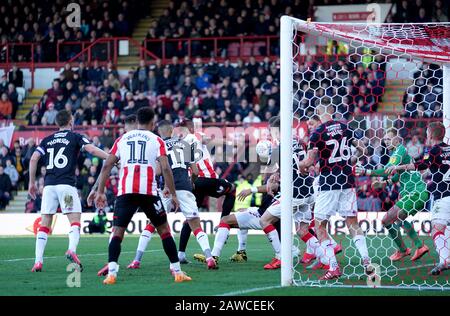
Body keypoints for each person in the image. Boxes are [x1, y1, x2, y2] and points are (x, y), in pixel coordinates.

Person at [94, 107, 191, 284]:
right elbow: (166, 168)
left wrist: (100, 191)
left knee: (117, 232)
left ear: (137, 121)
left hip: (126, 191)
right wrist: (173, 193)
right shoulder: (156, 140)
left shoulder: (122, 139)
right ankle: (177, 272)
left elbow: (106, 166)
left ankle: (112, 274)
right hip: (148, 192)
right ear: (152, 123)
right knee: (164, 230)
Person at [127, 120, 217, 270]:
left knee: (153, 224)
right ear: (172, 131)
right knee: (195, 224)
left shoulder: (158, 145)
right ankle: (209, 257)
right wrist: (192, 182)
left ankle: (137, 260)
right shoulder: (186, 144)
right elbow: (195, 171)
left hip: (168, 189)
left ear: (159, 132)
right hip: (185, 187)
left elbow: (157, 171)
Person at [298, 102, 372, 280]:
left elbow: (309, 161)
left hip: (329, 181)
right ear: (332, 111)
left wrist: (301, 166)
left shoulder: (317, 133)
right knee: (352, 222)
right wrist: (350, 161)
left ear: (318, 113)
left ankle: (333, 267)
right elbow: (363, 149)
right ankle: (367, 261)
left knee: (320, 225)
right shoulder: (345, 127)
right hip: (347, 179)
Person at [28, 109, 108, 272]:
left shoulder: (46, 140)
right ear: (71, 121)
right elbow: (91, 150)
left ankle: (38, 261)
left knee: (45, 224)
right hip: (66, 187)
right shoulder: (75, 136)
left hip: (49, 186)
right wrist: (110, 157)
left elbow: (34, 158)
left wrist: (31, 182)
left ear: (57, 123)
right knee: (75, 221)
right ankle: (71, 249)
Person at [356, 128, 430, 262]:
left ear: (397, 139)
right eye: (384, 139)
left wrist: (366, 172)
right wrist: (385, 183)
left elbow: (386, 171)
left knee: (386, 220)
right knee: (399, 218)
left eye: (389, 138)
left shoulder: (399, 150)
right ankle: (418, 247)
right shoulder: (398, 153)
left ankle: (405, 249)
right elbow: (398, 175)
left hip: (415, 192)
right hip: (417, 193)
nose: (386, 141)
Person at [385, 122, 450, 274]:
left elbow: (420, 165)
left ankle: (444, 260)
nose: (426, 134)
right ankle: (444, 259)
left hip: (444, 196)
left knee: (437, 229)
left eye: (427, 131)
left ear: (431, 134)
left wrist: (398, 167)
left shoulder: (433, 150)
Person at [174, 119, 237, 264]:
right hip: (207, 179)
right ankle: (224, 225)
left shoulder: (179, 143)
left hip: (193, 183)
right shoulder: (195, 135)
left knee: (191, 217)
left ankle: (181, 254)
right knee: (232, 190)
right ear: (190, 127)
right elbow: (206, 138)